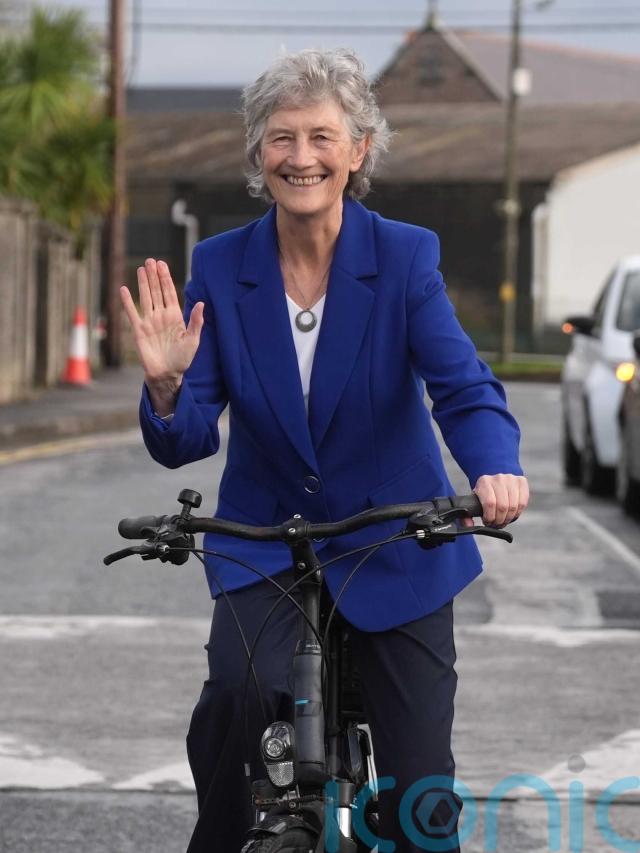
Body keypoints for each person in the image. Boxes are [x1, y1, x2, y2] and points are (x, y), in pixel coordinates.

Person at [121, 48, 529, 853]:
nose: (300, 156)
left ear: (358, 150)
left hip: (396, 539)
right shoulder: (221, 266)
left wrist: (494, 467)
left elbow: (462, 385)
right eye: (281, 137)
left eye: (321, 136)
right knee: (233, 702)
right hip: (268, 545)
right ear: (257, 152)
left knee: (419, 793)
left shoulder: (404, 256)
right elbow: (187, 436)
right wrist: (167, 388)